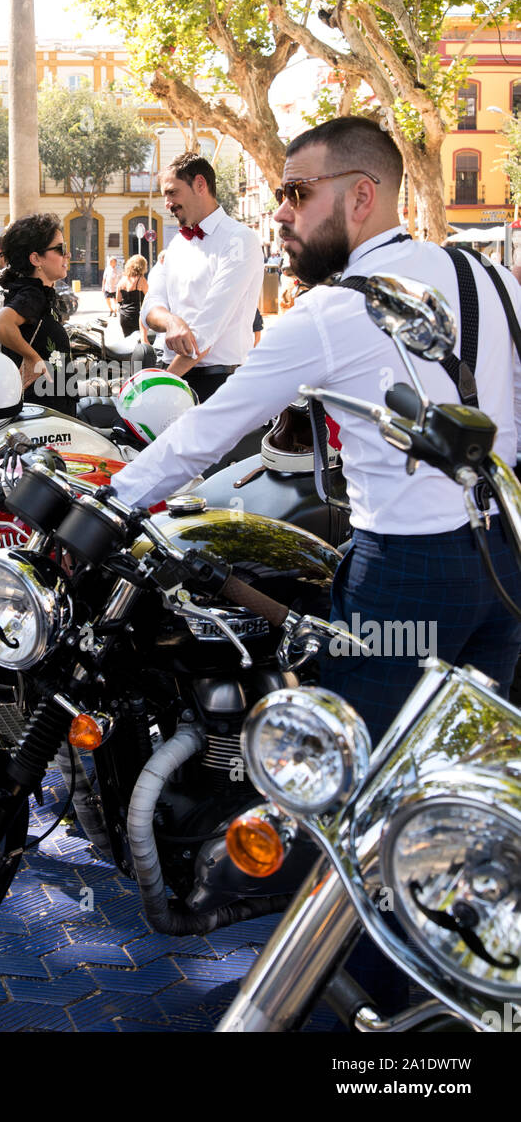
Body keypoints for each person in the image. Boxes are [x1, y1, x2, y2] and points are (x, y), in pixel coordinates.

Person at [112, 115, 521, 741]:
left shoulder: (334, 309)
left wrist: (108, 504)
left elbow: (205, 434)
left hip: (404, 570)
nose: (280, 213)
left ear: (362, 195)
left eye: (297, 193)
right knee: (461, 760)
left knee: (351, 770)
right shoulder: (494, 279)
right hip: (507, 561)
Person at [141, 151, 263, 403]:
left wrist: (161, 388)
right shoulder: (175, 245)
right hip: (172, 375)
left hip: (216, 385)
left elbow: (207, 328)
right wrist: (172, 322)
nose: (167, 203)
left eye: (172, 192)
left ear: (200, 184)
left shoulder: (240, 240)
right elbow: (149, 308)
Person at [0, 214, 76, 418]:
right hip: (41, 413)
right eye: (61, 249)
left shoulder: (38, 292)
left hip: (47, 409)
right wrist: (32, 357)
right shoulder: (32, 293)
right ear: (36, 259)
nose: (68, 254)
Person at [115, 255, 150, 340]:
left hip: (124, 317)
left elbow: (118, 299)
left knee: (127, 341)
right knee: (138, 343)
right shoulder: (141, 280)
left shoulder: (122, 280)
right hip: (136, 317)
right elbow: (149, 297)